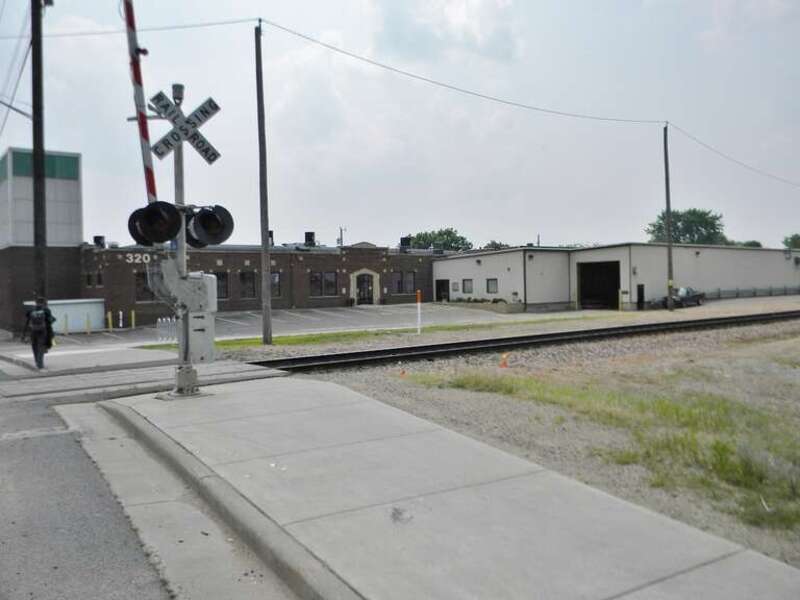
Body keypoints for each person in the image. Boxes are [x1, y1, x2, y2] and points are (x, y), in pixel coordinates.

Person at [22, 297, 55, 369]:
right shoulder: (46, 310)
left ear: (36, 302)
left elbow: (27, 317)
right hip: (43, 331)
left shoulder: (31, 310)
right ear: (44, 303)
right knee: (41, 346)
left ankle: (37, 361)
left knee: (34, 346)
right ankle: (40, 364)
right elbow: (50, 320)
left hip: (33, 331)